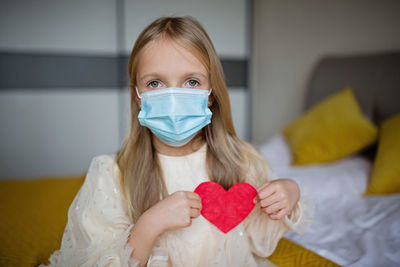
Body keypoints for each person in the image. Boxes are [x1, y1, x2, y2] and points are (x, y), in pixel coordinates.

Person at [41, 16, 313, 267]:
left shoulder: (242, 161)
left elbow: (259, 239)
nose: (173, 97)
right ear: (137, 95)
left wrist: (288, 193)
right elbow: (98, 259)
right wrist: (149, 224)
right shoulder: (113, 174)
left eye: (191, 82)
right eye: (155, 83)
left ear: (210, 94)